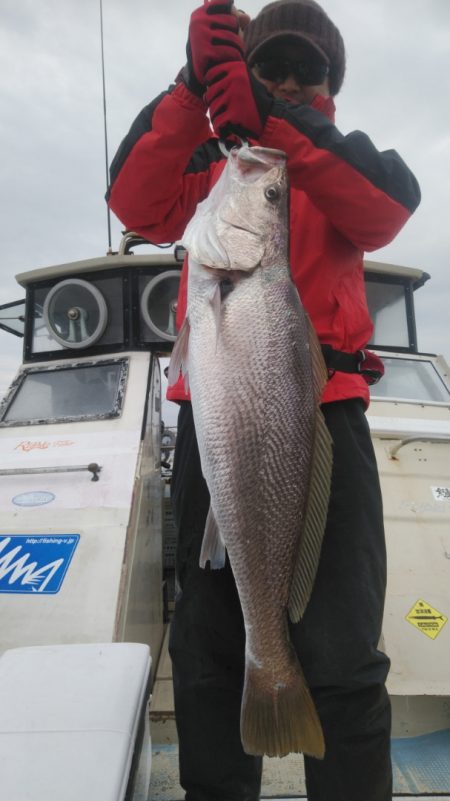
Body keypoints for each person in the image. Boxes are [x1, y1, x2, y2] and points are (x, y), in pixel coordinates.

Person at [107, 1, 421, 799]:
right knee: (210, 655)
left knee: (345, 656)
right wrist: (192, 86)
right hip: (217, 427)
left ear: (330, 85)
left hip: (325, 423)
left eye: (304, 72)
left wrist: (274, 119)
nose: (286, 81)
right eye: (267, 67)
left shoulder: (325, 161)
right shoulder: (218, 167)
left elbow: (390, 205)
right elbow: (135, 202)